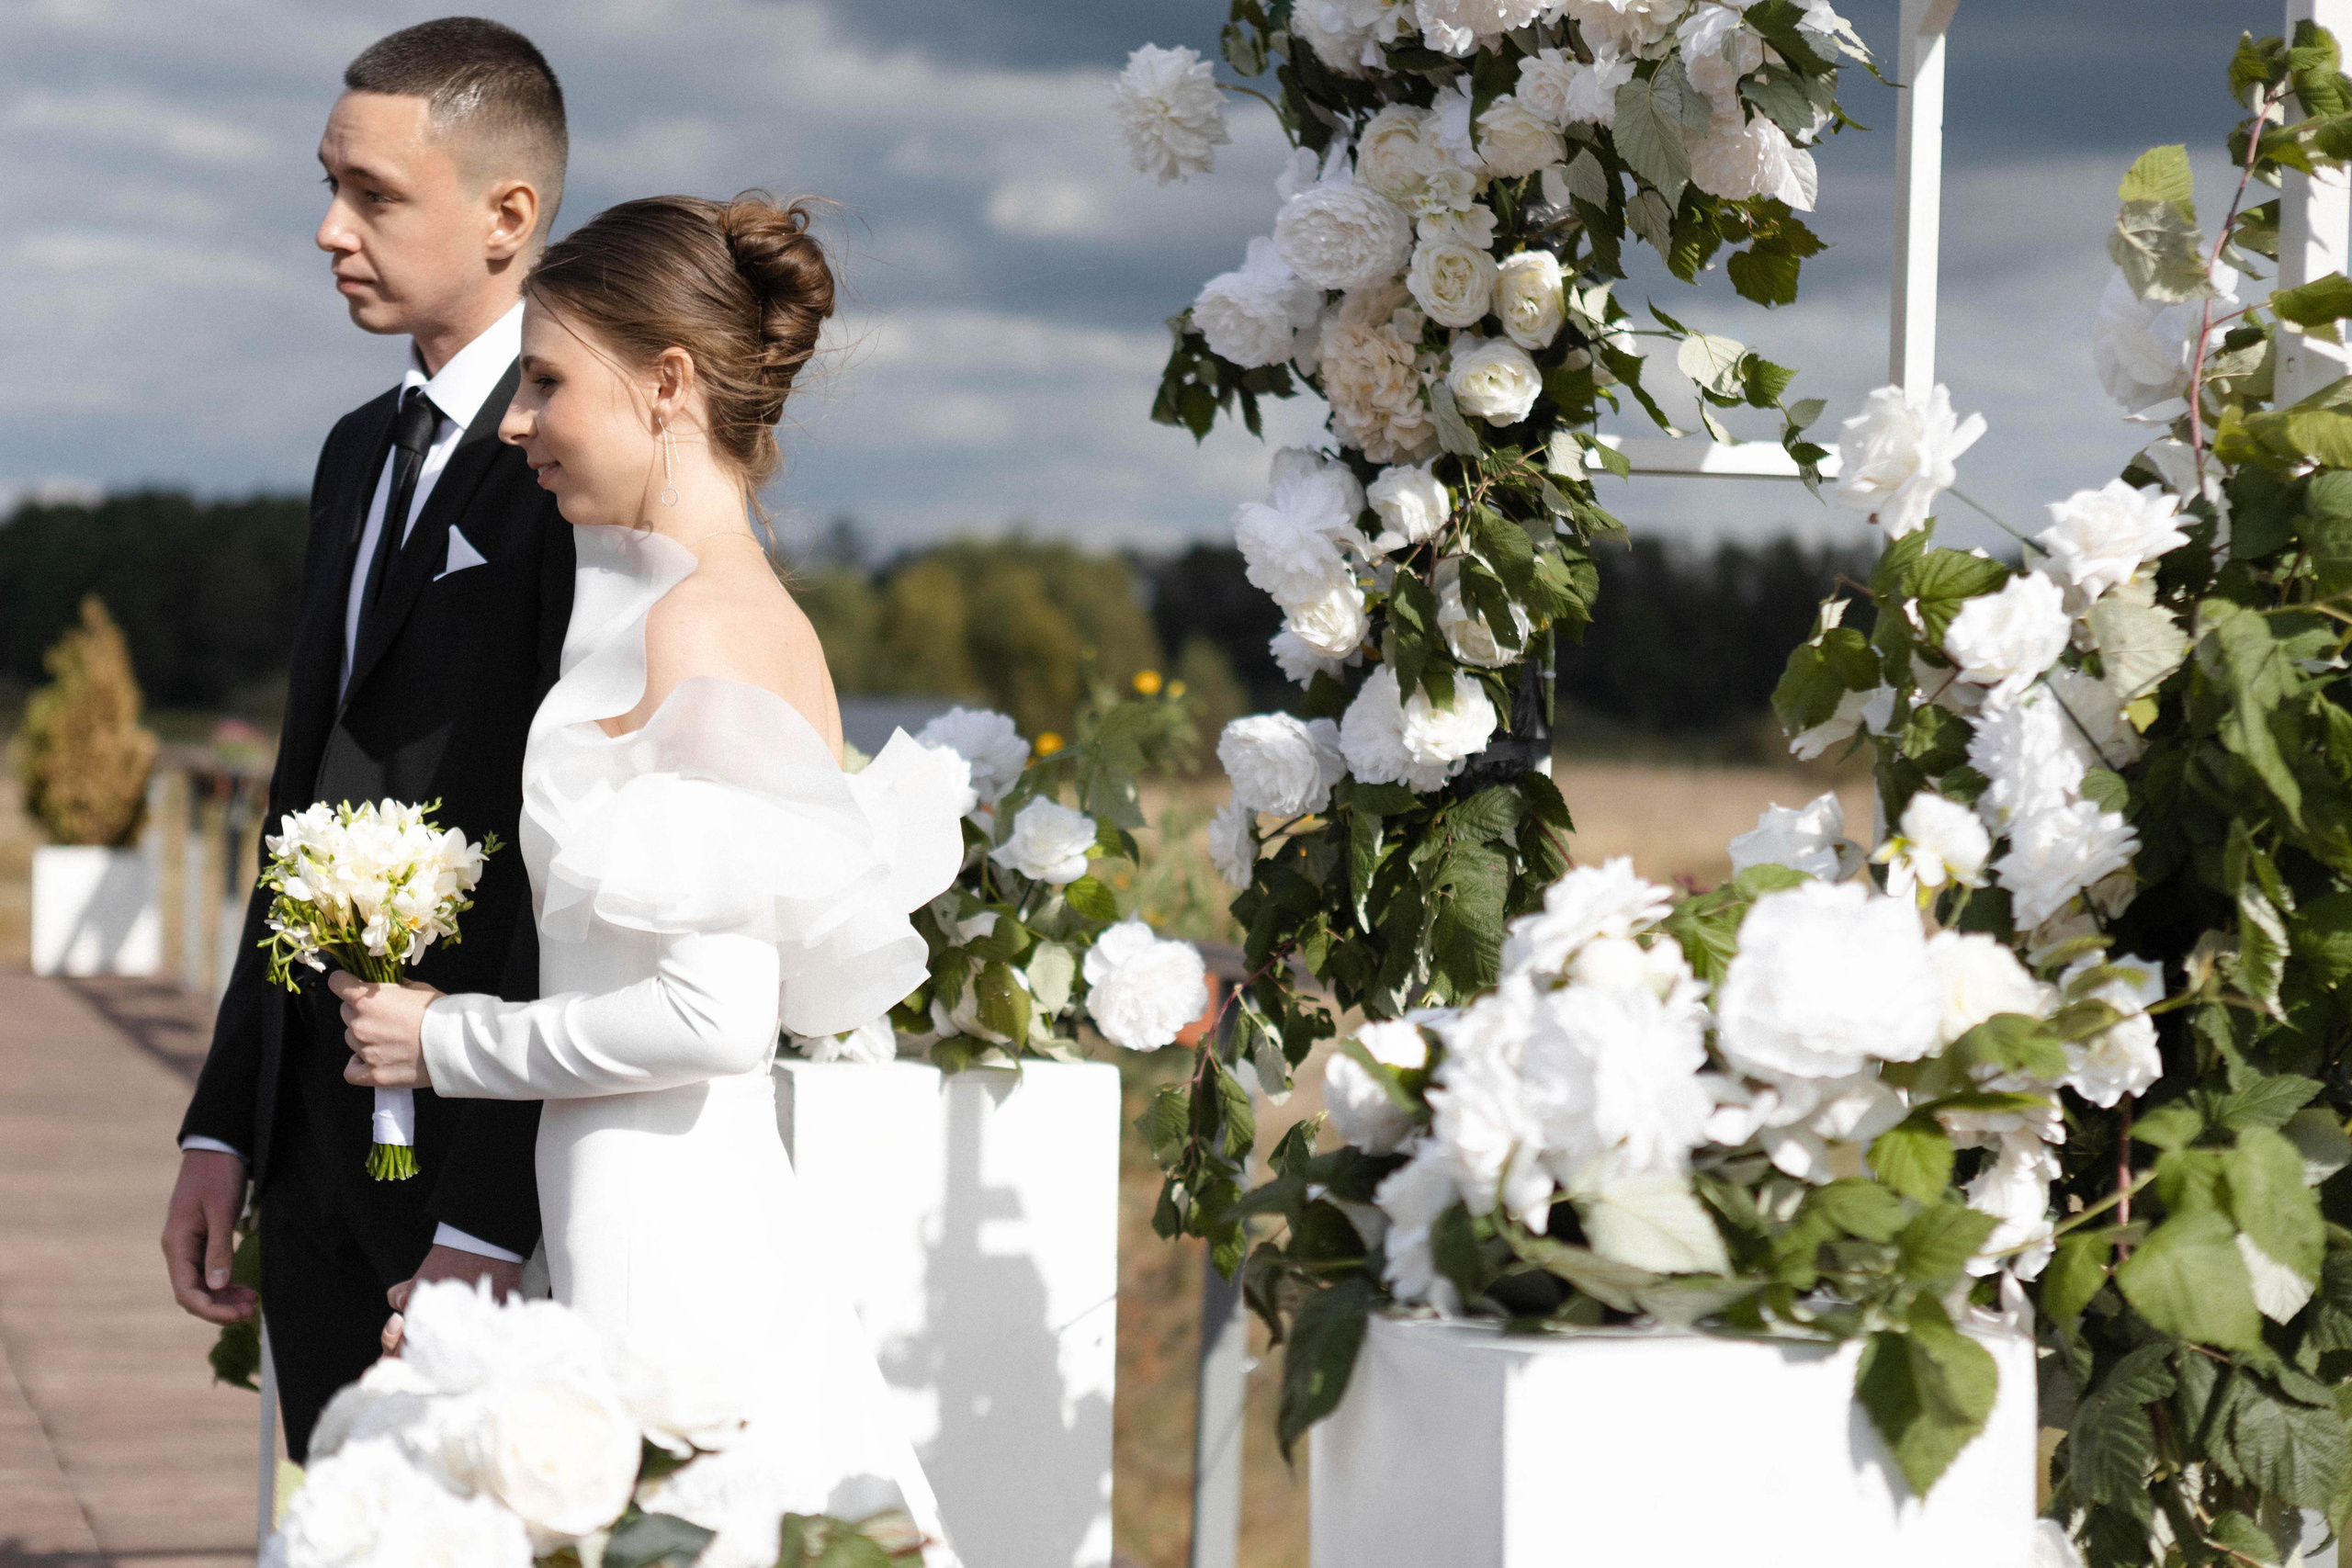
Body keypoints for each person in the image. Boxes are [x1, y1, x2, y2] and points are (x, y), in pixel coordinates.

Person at [328, 192, 967, 1542]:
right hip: (614, 1207)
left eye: (547, 384)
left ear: (666, 382)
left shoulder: (706, 630)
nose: (515, 425)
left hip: (667, 1236)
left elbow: (713, 1017)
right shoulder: (675, 608)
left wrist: (444, 1042)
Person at [160, 17, 575, 1461]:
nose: (331, 229)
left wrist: (486, 1214)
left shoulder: (572, 463)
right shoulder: (356, 451)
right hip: (315, 1154)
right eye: (329, 186)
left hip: (465, 1165)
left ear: (508, 216)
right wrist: (226, 1122)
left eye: (375, 195)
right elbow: (301, 806)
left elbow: (565, 862)